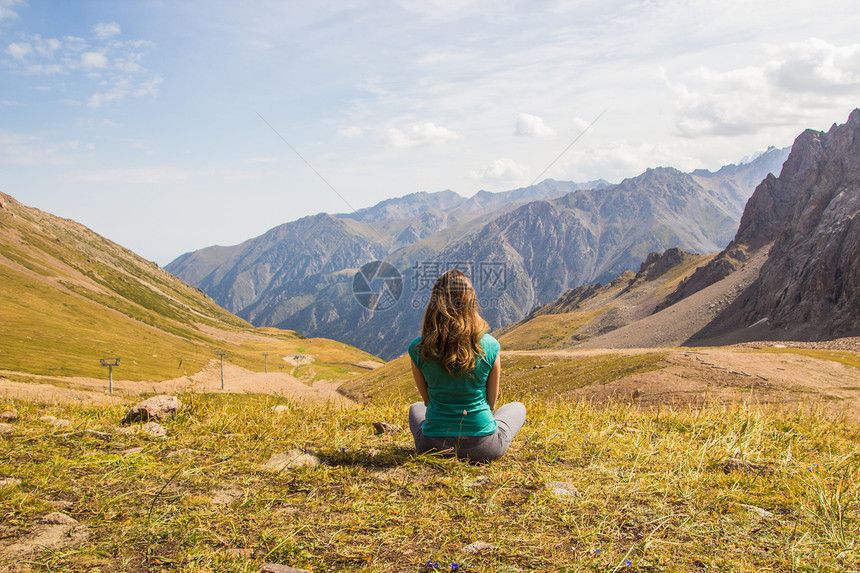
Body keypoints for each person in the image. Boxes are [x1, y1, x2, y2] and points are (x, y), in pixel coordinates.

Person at [407, 269, 526, 461]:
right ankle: (480, 428)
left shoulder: (418, 348)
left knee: (416, 407)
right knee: (518, 408)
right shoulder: (490, 345)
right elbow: (491, 402)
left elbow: (428, 401)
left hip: (433, 446)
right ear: (471, 303)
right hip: (485, 447)